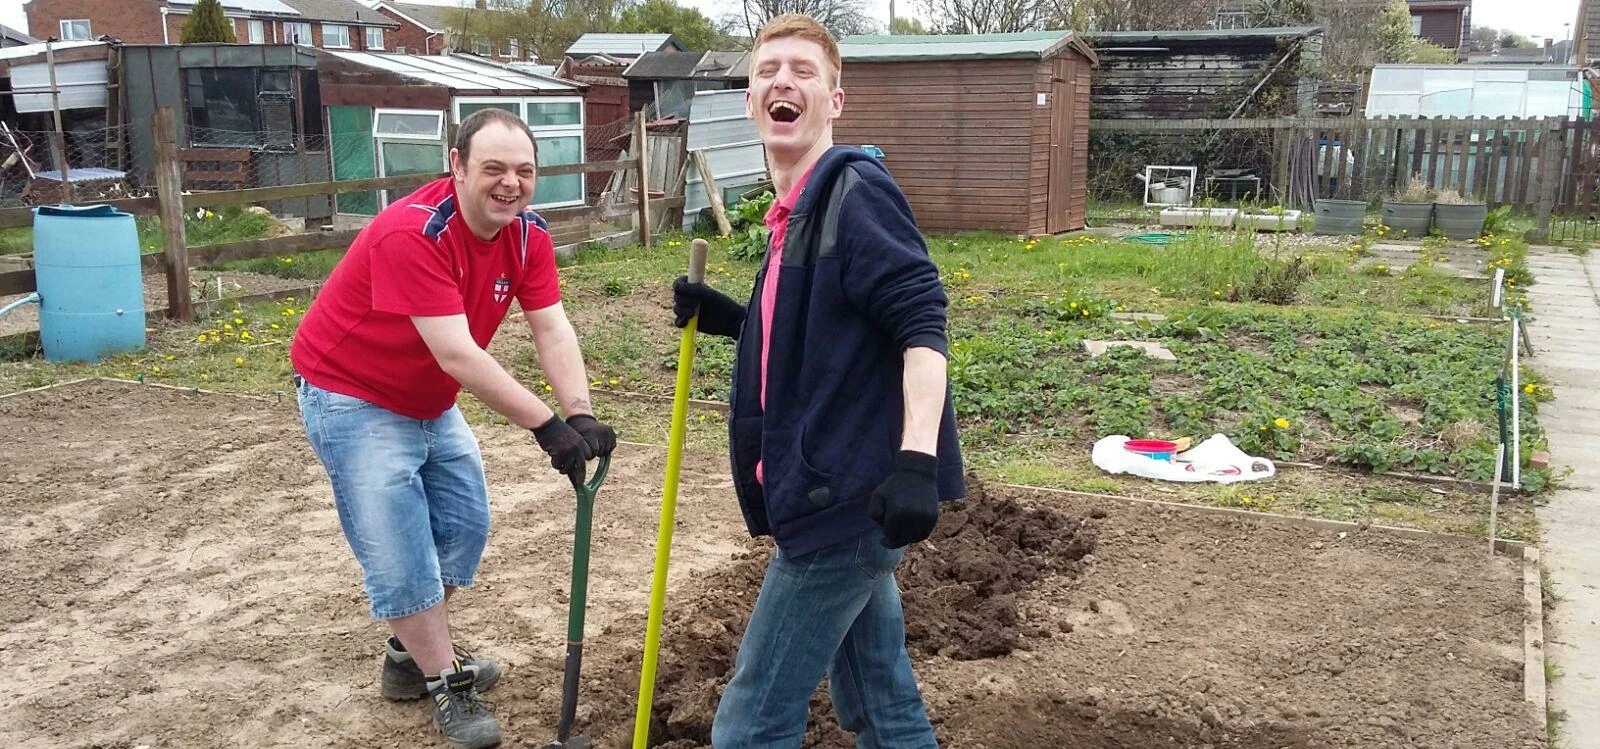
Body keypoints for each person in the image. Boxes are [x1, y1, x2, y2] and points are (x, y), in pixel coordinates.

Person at [670, 13, 963, 749]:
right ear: (748, 100)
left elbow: (921, 323)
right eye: (768, 70)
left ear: (835, 101)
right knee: (878, 697)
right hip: (837, 496)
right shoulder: (792, 215)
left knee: (750, 721)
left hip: (843, 502)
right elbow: (825, 335)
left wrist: (917, 462)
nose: (783, 81)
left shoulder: (852, 190)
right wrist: (736, 320)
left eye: (804, 70)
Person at [289, 107, 616, 749]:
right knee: (399, 548)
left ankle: (409, 656)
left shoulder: (527, 236)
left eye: (524, 171)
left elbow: (550, 325)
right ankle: (445, 680)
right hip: (350, 392)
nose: (509, 183)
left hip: (427, 399)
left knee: (464, 526)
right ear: (458, 168)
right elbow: (458, 353)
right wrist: (546, 426)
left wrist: (579, 410)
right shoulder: (413, 233)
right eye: (492, 168)